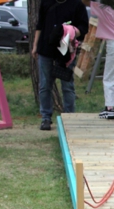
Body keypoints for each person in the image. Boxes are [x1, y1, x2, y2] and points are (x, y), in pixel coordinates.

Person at [32, 0, 89, 131]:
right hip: (46, 49)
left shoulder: (77, 5)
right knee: (45, 85)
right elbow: (40, 25)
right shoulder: (46, 3)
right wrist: (35, 46)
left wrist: (70, 31)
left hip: (66, 51)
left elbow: (84, 27)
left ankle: (69, 117)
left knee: (67, 86)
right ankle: (46, 118)